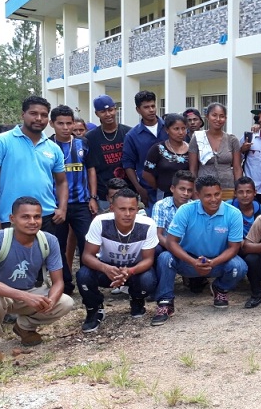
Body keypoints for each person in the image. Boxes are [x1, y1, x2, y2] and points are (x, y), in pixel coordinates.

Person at [0, 197, 74, 366]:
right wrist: (24, 296)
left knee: (65, 302)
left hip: (29, 292)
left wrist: (51, 301)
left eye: (37, 216)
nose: (32, 221)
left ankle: (24, 327)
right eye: (25, 217)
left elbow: (58, 282)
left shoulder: (49, 240)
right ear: (12, 219)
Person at [151, 176, 248, 325]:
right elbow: (171, 242)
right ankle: (165, 302)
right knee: (165, 258)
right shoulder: (186, 210)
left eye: (217, 194)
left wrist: (213, 262)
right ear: (198, 195)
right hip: (188, 260)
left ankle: (220, 288)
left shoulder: (233, 213)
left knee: (239, 267)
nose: (214, 199)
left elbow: (234, 247)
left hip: (217, 261)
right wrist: (193, 262)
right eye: (208, 195)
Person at [76, 188, 158, 332]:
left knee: (148, 279)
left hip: (133, 269)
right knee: (83, 275)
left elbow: (148, 260)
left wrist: (130, 271)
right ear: (112, 208)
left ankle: (137, 299)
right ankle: (94, 309)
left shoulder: (148, 224)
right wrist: (105, 268)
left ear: (137, 209)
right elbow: (87, 256)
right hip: (106, 268)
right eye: (122, 209)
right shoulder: (100, 222)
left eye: (132, 209)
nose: (127, 214)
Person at [0, 95, 67, 234]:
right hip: (10, 217)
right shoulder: (1, 142)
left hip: (46, 217)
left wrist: (62, 209)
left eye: (44, 115)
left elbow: (62, 182)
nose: (39, 118)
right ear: (23, 115)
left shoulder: (53, 148)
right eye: (33, 113)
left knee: (46, 249)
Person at [48, 105, 93, 295]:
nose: (65, 127)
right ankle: (65, 284)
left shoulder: (83, 143)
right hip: (55, 206)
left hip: (82, 203)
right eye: (61, 123)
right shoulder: (46, 146)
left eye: (69, 123)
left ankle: (87, 281)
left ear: (74, 123)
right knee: (57, 246)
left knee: (87, 242)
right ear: (52, 124)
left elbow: (91, 169)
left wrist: (93, 197)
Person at [122, 91, 167, 211]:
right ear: (138, 110)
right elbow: (128, 164)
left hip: (172, 188)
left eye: (153, 106)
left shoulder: (169, 128)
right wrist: (139, 189)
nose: (151, 110)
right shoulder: (132, 136)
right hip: (148, 191)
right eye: (146, 107)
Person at [86, 95, 132, 212]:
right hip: (103, 195)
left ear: (115, 109)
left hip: (129, 192)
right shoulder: (90, 137)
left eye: (110, 110)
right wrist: (93, 197)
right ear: (97, 114)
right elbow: (91, 169)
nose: (108, 114)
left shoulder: (129, 133)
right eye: (103, 111)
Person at [189, 103, 242, 198]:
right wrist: (194, 192)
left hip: (228, 189)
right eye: (214, 115)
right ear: (207, 117)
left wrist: (239, 191)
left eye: (222, 116)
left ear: (225, 118)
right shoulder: (198, 138)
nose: (218, 119)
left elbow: (237, 168)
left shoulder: (232, 140)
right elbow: (193, 169)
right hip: (204, 190)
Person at [142, 113, 190, 200]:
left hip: (187, 195)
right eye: (176, 129)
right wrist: (160, 187)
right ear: (167, 130)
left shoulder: (191, 149)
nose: (181, 132)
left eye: (183, 128)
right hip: (164, 195)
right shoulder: (158, 149)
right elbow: (146, 174)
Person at [152, 170, 196, 255]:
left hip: (189, 248)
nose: (186, 193)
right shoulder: (161, 205)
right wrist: (177, 250)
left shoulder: (195, 207)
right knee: (158, 251)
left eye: (189, 190)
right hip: (167, 246)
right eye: (182, 189)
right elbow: (158, 235)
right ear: (172, 188)